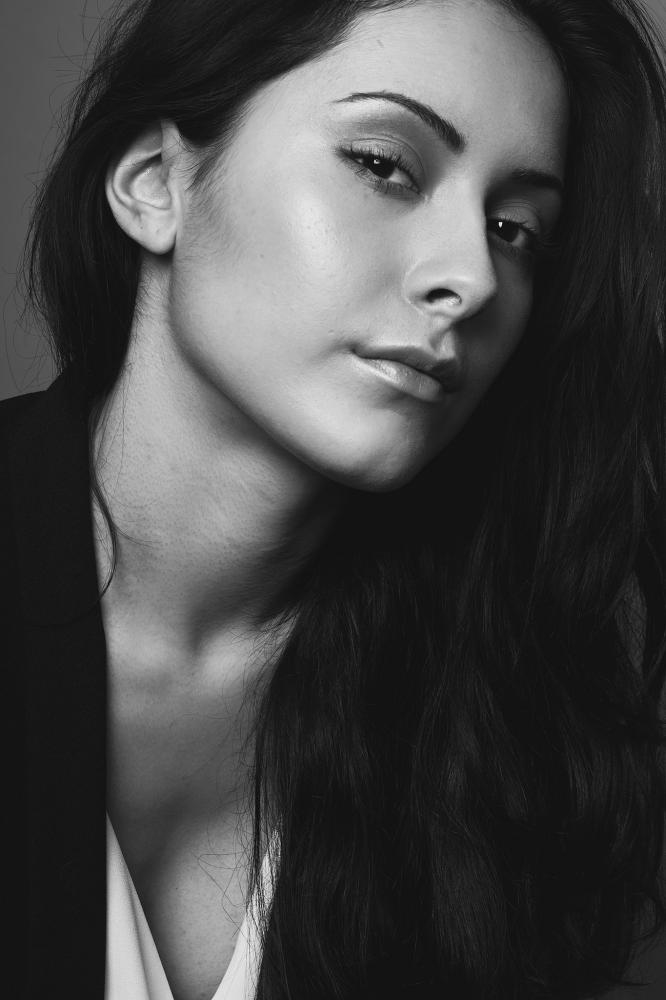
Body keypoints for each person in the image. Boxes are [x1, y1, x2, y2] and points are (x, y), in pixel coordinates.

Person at [3, 0, 665, 997]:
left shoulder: (496, 719)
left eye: (514, 229)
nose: (473, 277)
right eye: (385, 166)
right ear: (154, 183)